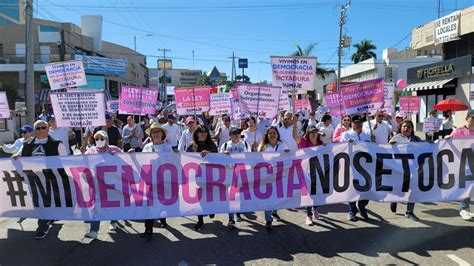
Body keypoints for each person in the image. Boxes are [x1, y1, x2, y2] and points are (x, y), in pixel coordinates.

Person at [13, 120, 68, 239]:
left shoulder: (57, 144)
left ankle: (45, 223)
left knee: (49, 201)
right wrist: (16, 157)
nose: (41, 130)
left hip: (51, 179)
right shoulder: (27, 144)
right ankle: (42, 226)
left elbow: (65, 162)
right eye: (38, 128)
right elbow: (19, 156)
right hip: (33, 178)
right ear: (34, 130)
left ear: (48, 129)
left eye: (43, 127)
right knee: (39, 203)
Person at [83, 130, 123, 240]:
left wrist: (117, 156)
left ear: (107, 140)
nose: (99, 141)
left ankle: (113, 221)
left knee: (112, 204)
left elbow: (125, 161)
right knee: (96, 206)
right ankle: (94, 230)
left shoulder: (114, 149)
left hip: (112, 182)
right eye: (96, 139)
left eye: (101, 138)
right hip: (96, 183)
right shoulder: (90, 151)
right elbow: (83, 163)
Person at [141, 123, 174, 238]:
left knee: (162, 202)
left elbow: (171, 162)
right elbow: (142, 161)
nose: (156, 134)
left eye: (158, 132)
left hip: (164, 180)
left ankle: (163, 220)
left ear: (162, 134)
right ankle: (148, 229)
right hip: (151, 180)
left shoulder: (167, 147)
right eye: (153, 132)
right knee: (150, 204)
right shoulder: (147, 147)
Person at [388, 120, 423, 221]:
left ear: (412, 129)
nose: (406, 128)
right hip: (399, 169)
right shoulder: (396, 138)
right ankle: (394, 201)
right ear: (401, 128)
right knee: (399, 188)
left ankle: (409, 212)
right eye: (404, 126)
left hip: (413, 169)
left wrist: (430, 143)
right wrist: (390, 145)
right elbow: (387, 151)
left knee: (413, 190)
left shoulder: (416, 139)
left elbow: (425, 148)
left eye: (408, 127)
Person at [186, 125, 218, 231]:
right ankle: (200, 221)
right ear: (196, 133)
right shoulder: (191, 146)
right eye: (200, 131)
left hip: (210, 177)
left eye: (205, 131)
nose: (203, 133)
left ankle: (211, 209)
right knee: (199, 200)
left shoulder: (212, 145)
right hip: (196, 177)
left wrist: (210, 154)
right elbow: (185, 159)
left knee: (209, 197)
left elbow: (218, 158)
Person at [340, 115, 372, 221]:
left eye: (360, 122)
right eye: (356, 122)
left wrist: (373, 142)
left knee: (367, 188)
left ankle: (362, 206)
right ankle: (352, 211)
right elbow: (339, 149)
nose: (358, 124)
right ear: (352, 124)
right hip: (351, 167)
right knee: (352, 190)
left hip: (365, 167)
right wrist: (346, 144)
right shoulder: (346, 135)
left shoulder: (367, 135)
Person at [292, 117, 323, 225]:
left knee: (316, 192)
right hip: (305, 172)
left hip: (317, 172)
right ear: (308, 134)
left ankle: (315, 208)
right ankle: (309, 215)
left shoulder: (321, 143)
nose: (313, 134)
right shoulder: (304, 142)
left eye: (315, 132)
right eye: (311, 132)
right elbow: (295, 136)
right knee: (308, 194)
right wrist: (295, 124)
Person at [257, 126, 289, 232]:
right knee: (268, 199)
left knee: (278, 196)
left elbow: (288, 157)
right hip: (267, 176)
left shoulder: (283, 145)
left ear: (277, 134)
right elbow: (256, 160)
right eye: (270, 133)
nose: (272, 134)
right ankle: (268, 219)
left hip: (280, 175)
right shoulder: (262, 147)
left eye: (274, 132)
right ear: (267, 135)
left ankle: (274, 211)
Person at [220, 126, 251, 228]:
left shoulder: (245, 144)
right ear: (230, 135)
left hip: (242, 174)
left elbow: (250, 158)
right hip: (230, 175)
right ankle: (231, 219)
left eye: (238, 132)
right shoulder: (225, 145)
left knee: (241, 197)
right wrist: (224, 156)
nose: (236, 134)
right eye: (233, 133)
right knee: (231, 197)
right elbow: (218, 160)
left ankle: (238, 213)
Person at [449, 110, 474, 220]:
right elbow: (448, 142)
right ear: (467, 118)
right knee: (467, 185)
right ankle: (464, 208)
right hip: (463, 163)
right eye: (473, 118)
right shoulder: (459, 131)